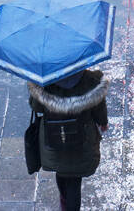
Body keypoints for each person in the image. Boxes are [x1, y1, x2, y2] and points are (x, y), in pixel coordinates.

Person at [28, 69, 109, 211]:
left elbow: (37, 107)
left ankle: (64, 202)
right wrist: (103, 122)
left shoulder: (44, 81)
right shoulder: (92, 80)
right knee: (74, 181)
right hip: (82, 140)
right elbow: (99, 110)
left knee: (61, 171)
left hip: (54, 138)